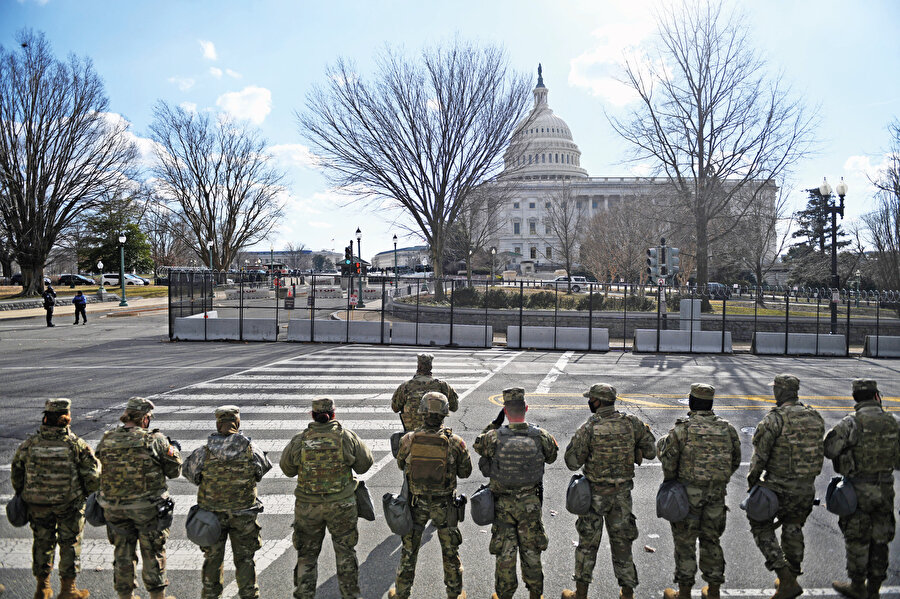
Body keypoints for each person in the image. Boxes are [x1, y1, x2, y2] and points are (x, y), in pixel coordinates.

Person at [560, 384, 657, 599]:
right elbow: (651, 451)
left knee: (587, 546)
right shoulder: (632, 423)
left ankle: (581, 593)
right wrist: (634, 451)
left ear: (597, 402)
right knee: (622, 546)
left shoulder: (589, 427)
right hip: (621, 496)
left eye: (591, 399)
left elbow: (572, 462)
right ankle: (627, 593)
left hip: (593, 496)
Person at [280, 398, 373, 599]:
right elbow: (364, 465)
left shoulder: (300, 440)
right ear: (333, 413)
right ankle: (350, 595)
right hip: (342, 506)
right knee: (346, 554)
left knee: (306, 557)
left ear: (312, 415)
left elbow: (287, 469)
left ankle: (304, 595)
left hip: (308, 508)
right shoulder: (346, 437)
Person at [657, 384, 741, 599]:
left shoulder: (682, 430)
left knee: (685, 544)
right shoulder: (727, 429)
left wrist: (672, 482)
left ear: (692, 402)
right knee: (711, 541)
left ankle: (684, 593)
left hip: (687, 497)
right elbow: (735, 460)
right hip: (716, 496)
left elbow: (669, 463)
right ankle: (713, 592)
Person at [11, 398, 101, 599]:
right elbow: (94, 478)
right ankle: (68, 590)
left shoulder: (29, 445)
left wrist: (26, 494)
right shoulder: (76, 445)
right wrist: (84, 494)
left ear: (45, 419)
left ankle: (42, 588)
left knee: (42, 542)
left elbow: (17, 473)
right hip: (69, 505)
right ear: (67, 419)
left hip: (38, 505)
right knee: (70, 544)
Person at [473, 387, 558, 599]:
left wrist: (495, 422)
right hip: (530, 505)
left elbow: (477, 444)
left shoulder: (494, 437)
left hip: (502, 507)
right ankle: (536, 595)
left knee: (505, 553)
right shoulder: (541, 436)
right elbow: (553, 457)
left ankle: (504, 595)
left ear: (505, 411)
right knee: (531, 553)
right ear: (526, 409)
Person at [746, 374, 824, 599]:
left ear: (780, 392)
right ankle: (791, 577)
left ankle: (786, 578)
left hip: (778, 488)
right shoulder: (815, 416)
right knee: (793, 528)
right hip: (805, 488)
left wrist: (753, 483)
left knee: (760, 526)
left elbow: (760, 457)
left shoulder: (774, 420)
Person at [96, 397, 182, 599]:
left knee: (122, 555)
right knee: (153, 553)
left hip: (116, 508)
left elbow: (97, 469)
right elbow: (174, 471)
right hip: (148, 510)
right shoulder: (155, 440)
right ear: (144, 419)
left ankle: (126, 596)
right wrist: (173, 449)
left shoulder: (107, 438)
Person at [182, 406, 273, 599]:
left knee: (213, 560)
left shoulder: (203, 452)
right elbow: (262, 470)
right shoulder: (251, 450)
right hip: (244, 516)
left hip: (211, 517)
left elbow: (190, 474)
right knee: (246, 560)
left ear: (218, 424)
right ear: (237, 423)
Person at [389, 391, 472, 599]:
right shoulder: (455, 442)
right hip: (445, 506)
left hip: (416, 504)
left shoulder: (409, 439)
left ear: (423, 413)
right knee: (450, 552)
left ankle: (401, 593)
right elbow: (466, 472)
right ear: (444, 414)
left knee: (409, 551)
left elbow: (401, 464)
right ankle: (454, 593)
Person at [825, 379, 900, 599]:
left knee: (857, 538)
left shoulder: (851, 423)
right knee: (880, 538)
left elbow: (829, 449)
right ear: (877, 396)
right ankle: (874, 588)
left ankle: (857, 586)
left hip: (857, 491)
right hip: (884, 489)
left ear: (856, 398)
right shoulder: (893, 422)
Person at [391, 353, 459, 432]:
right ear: (431, 367)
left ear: (418, 366)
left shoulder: (405, 386)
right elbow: (454, 407)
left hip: (412, 434)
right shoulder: (443, 386)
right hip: (436, 433)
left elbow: (395, 408)